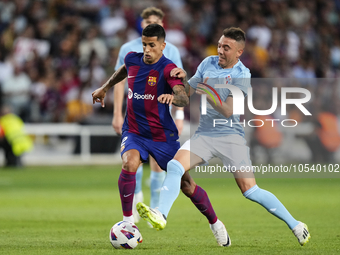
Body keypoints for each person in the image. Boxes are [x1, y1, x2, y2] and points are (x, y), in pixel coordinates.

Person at [137, 27, 311, 247]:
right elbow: (187, 94)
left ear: (238, 52)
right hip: (205, 135)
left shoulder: (243, 75)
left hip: (231, 138)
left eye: (226, 47)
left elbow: (229, 110)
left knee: (250, 190)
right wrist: (173, 93)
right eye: (219, 45)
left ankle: (296, 225)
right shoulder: (207, 63)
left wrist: (206, 89)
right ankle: (161, 214)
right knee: (174, 166)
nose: (220, 50)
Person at [92, 23, 230, 247]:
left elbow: (184, 97)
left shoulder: (169, 69)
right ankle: (128, 223)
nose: (147, 49)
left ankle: (215, 223)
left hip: (162, 137)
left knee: (187, 185)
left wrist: (173, 98)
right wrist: (105, 88)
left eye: (152, 45)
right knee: (129, 163)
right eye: (145, 44)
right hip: (134, 131)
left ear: (163, 46)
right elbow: (123, 71)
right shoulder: (131, 58)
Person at [112, 7, 185, 223]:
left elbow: (178, 85)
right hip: (136, 111)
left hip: (160, 113)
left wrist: (179, 115)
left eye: (155, 21)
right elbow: (119, 81)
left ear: (162, 24)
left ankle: (154, 206)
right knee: (133, 158)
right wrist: (117, 113)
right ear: (141, 23)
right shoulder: (129, 49)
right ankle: (136, 201)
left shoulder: (170, 50)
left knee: (157, 162)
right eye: (147, 21)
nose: (150, 24)